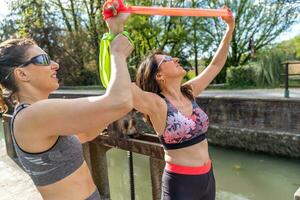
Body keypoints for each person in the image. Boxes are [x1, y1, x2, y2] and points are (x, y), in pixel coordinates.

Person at [0, 12, 133, 200]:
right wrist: (117, 54)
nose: (55, 64)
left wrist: (115, 31)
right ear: (22, 74)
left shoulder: (39, 116)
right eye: (43, 60)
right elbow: (120, 101)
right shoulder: (32, 115)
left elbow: (86, 133)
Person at [131, 7, 235, 200]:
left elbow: (215, 66)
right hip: (181, 184)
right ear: (159, 75)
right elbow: (122, 88)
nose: (176, 59)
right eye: (168, 59)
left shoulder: (189, 92)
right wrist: (114, 34)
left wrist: (229, 29)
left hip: (207, 178)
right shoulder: (156, 104)